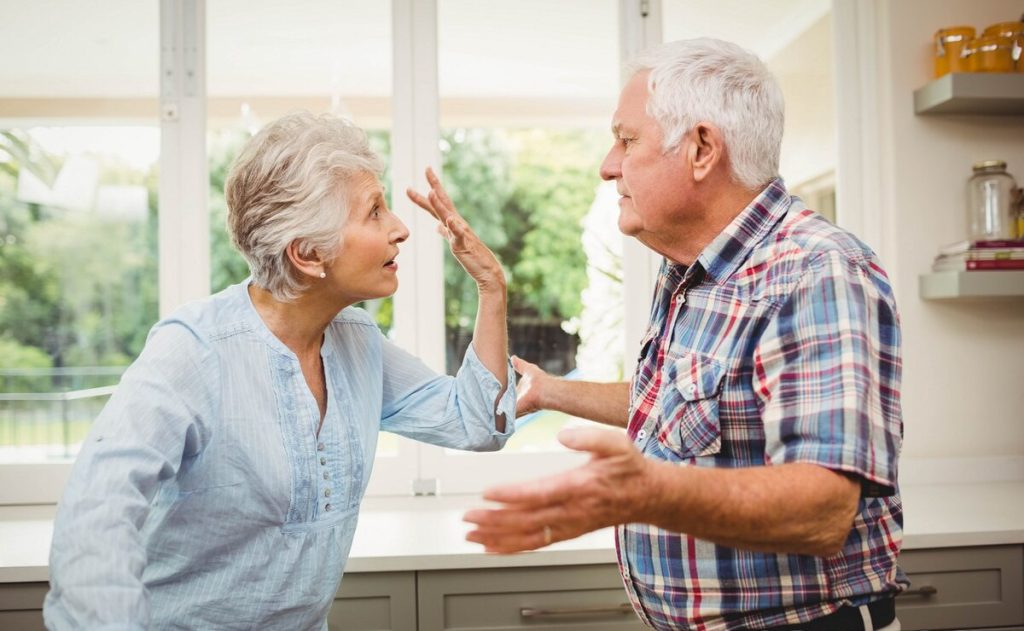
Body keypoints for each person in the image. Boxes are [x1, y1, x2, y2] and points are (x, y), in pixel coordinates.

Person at [463, 38, 907, 631]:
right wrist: (549, 390)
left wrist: (645, 494)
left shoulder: (815, 270)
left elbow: (823, 509)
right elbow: (683, 403)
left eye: (626, 139)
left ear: (701, 149)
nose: (607, 165)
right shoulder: (689, 271)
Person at [44, 112, 515, 630]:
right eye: (375, 212)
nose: (400, 228)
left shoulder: (356, 339)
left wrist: (492, 287)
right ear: (309, 254)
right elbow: (96, 520)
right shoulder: (195, 350)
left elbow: (476, 422)